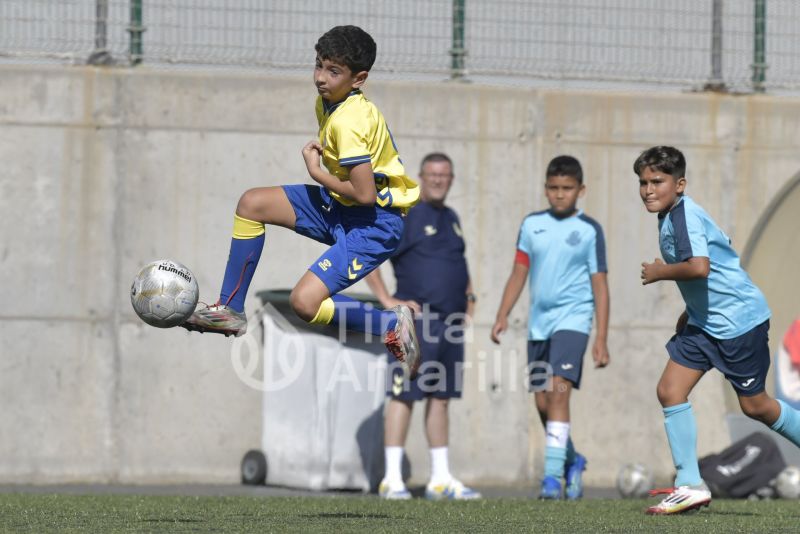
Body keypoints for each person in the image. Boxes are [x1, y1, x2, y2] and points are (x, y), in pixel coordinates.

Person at [181, 25, 421, 376]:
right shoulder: (328, 102)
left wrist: (316, 172)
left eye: (333, 71)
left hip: (374, 224)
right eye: (319, 65)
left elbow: (365, 195)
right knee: (252, 204)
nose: (320, 77)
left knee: (304, 303)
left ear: (359, 79)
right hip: (340, 205)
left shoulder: (349, 122)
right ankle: (230, 309)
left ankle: (389, 323)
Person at [635, 146, 800, 515]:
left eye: (657, 181)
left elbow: (700, 268)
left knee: (756, 406)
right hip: (705, 324)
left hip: (738, 324)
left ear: (680, 185)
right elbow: (710, 275)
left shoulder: (684, 216)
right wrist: (690, 313)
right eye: (643, 182)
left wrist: (661, 272)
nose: (648, 189)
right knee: (669, 390)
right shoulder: (669, 216)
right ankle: (690, 485)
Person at [491, 155, 610, 500]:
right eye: (554, 188)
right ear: (545, 189)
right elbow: (519, 271)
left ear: (580, 190)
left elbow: (600, 285)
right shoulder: (531, 225)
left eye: (567, 188)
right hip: (538, 325)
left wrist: (601, 337)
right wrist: (502, 314)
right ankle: (572, 460)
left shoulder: (589, 230)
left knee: (559, 393)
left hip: (574, 320)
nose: (560, 194)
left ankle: (551, 479)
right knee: (543, 404)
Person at [365, 152, 481, 501]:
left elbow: (456, 260)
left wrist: (469, 296)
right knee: (403, 395)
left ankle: (440, 479)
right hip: (413, 322)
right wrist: (386, 298)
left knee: (441, 397)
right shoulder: (408, 214)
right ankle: (391, 480)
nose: (438, 180)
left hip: (449, 322)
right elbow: (368, 251)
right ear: (421, 177)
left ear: (452, 179)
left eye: (445, 175)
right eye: (432, 174)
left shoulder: (452, 217)